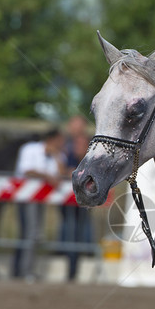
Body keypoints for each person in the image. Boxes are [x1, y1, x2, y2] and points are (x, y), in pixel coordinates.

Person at [12, 129, 68, 279]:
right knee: (29, 233)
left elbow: (61, 173)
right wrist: (47, 176)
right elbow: (26, 170)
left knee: (35, 234)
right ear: (53, 139)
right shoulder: (30, 149)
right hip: (25, 198)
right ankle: (22, 270)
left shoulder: (58, 154)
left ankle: (26, 269)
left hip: (40, 200)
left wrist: (56, 155)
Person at [60, 115, 94, 282]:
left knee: (80, 230)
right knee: (68, 228)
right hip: (63, 195)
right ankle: (69, 264)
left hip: (83, 195)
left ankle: (77, 265)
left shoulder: (91, 143)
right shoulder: (63, 143)